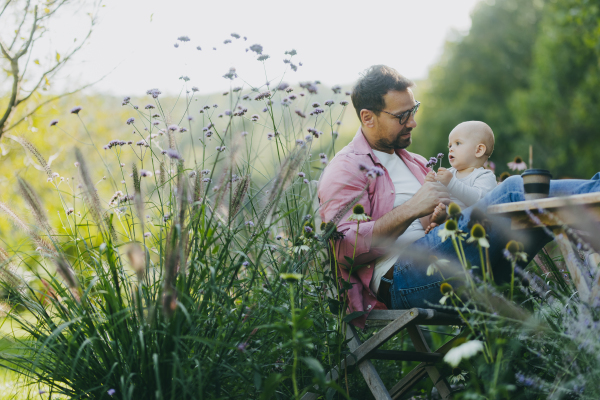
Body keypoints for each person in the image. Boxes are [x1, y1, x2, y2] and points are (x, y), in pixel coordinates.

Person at [317, 64, 600, 328]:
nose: (413, 122)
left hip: (446, 257)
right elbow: (343, 251)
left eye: (413, 110)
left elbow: (434, 221)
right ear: (368, 117)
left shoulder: (414, 163)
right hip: (402, 280)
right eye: (402, 116)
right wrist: (412, 209)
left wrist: (439, 216)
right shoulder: (347, 168)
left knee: (536, 215)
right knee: (514, 190)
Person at [424, 121, 498, 234]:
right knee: (439, 209)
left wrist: (451, 183)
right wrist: (430, 183)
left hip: (470, 226)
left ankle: (443, 224)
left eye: (458, 143)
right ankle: (441, 222)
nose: (451, 149)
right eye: (450, 145)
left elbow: (479, 201)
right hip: (450, 224)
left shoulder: (484, 176)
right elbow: (436, 195)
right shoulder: (449, 173)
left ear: (478, 150)